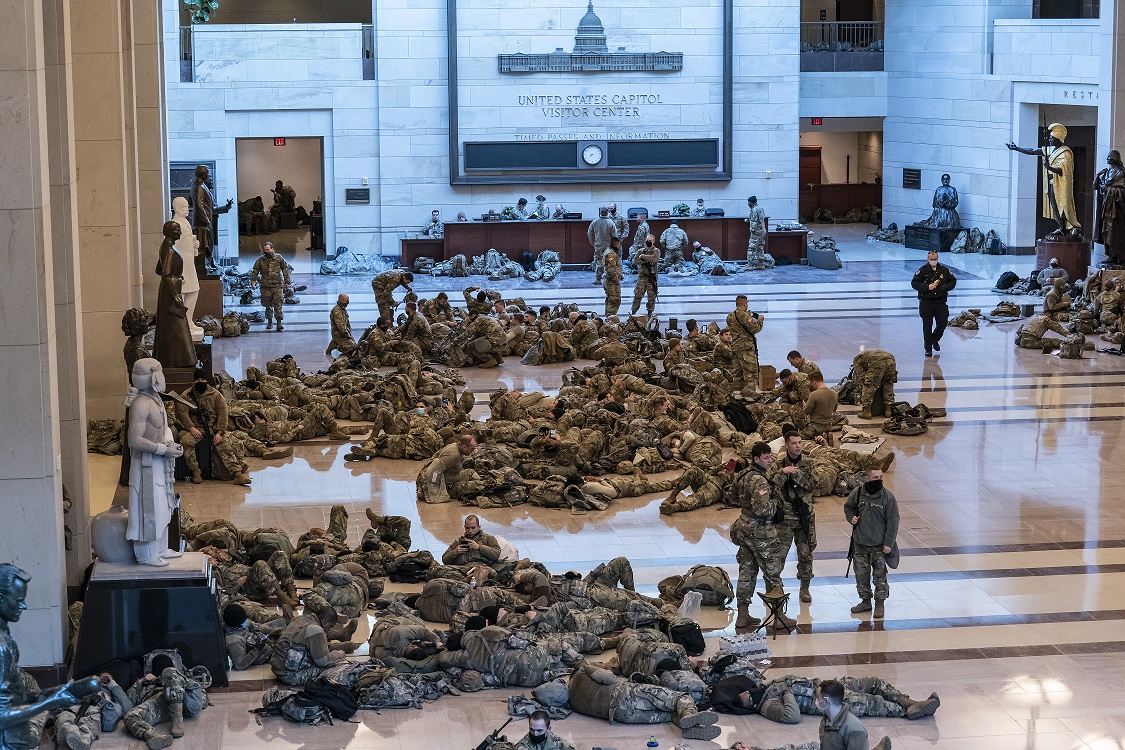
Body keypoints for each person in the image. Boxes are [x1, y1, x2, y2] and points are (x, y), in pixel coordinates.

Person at [126, 359, 184, 567]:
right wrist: (162, 449)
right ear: (153, 376)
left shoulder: (155, 398)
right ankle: (146, 554)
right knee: (148, 509)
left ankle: (160, 548)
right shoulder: (141, 404)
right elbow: (134, 440)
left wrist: (170, 443)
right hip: (146, 466)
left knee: (163, 506)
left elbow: (163, 430)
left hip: (160, 464)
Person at [726, 680, 891, 750]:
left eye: (818, 697)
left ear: (825, 701)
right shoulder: (827, 720)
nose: (815, 700)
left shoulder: (854, 729)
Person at [729, 442, 787, 629]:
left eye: (770, 457)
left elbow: (731, 496)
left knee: (747, 572)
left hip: (744, 528)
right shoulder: (760, 481)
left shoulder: (743, 475)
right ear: (756, 459)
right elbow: (762, 508)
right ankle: (778, 617)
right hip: (761, 532)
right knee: (772, 572)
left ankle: (743, 615)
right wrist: (776, 504)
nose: (769, 461)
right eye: (766, 458)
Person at [175, 369, 250, 486]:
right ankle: (195, 470)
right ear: (194, 381)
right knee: (186, 441)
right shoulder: (186, 396)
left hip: (213, 428)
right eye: (198, 380)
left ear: (206, 380)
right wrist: (191, 428)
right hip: (195, 429)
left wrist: (220, 432)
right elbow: (182, 413)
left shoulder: (216, 395)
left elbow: (223, 413)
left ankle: (237, 473)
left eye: (203, 379)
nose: (200, 381)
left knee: (225, 444)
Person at [1007, 123, 1080, 239]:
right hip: (1051, 184)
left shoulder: (1066, 154)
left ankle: (1073, 227)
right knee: (1055, 206)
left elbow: (1063, 171)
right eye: (1050, 138)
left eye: (1052, 139)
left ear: (1058, 139)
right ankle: (1061, 227)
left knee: (1064, 206)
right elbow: (1033, 151)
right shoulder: (1050, 150)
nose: (1050, 140)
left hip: (1061, 185)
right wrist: (1017, 148)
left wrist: (1048, 167)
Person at [844, 467, 899, 619]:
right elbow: (848, 507)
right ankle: (865, 601)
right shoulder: (858, 493)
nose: (879, 480)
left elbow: (893, 521)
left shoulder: (887, 497)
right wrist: (851, 517)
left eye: (880, 477)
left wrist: (889, 543)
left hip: (879, 546)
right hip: (860, 544)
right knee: (861, 575)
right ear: (867, 479)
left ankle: (879, 604)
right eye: (875, 477)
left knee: (879, 576)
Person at [769, 432, 817, 603]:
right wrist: (783, 472)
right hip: (785, 518)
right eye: (794, 443)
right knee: (779, 554)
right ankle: (775, 588)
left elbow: (813, 485)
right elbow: (770, 483)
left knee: (805, 554)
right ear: (787, 445)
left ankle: (805, 588)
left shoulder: (808, 463)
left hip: (804, 515)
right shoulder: (779, 463)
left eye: (799, 443)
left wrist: (796, 475)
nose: (797, 446)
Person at [152, 221, 197, 369]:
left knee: (172, 324)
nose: (180, 232)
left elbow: (158, 269)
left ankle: (170, 359)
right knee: (177, 325)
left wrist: (177, 277)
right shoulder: (170, 249)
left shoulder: (165, 246)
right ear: (171, 232)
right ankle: (182, 360)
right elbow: (165, 274)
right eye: (178, 230)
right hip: (170, 292)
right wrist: (175, 294)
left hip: (168, 290)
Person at [270, 607, 346, 686]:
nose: (329, 629)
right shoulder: (315, 629)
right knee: (337, 665)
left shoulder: (300, 619)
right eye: (331, 626)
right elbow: (323, 662)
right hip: (290, 676)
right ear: (326, 622)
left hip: (277, 669)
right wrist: (337, 654)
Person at [910, 250, 957, 356]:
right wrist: (927, 287)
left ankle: (934, 339)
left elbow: (953, 281)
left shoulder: (944, 270)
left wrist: (944, 288)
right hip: (926, 302)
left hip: (940, 302)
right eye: (931, 260)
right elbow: (914, 283)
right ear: (928, 259)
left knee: (942, 323)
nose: (933, 261)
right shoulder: (922, 271)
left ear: (938, 258)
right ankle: (928, 348)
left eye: (935, 259)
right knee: (927, 326)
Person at [190, 164, 233, 274]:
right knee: (203, 246)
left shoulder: (198, 185)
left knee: (206, 245)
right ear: (203, 174)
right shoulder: (199, 186)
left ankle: (208, 264)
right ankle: (203, 267)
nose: (209, 175)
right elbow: (198, 204)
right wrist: (206, 220)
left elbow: (195, 203)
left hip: (203, 221)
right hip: (202, 223)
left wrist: (225, 207)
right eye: (207, 173)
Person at [417, 434, 477, 504]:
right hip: (449, 486)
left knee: (471, 472)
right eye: (471, 449)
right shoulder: (453, 456)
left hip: (453, 477)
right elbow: (432, 471)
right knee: (478, 486)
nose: (472, 451)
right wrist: (430, 492)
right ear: (464, 447)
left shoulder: (455, 446)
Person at [249, 242, 292, 331]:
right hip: (265, 286)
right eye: (265, 250)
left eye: (268, 249)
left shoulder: (279, 258)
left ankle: (279, 323)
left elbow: (285, 269)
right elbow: (255, 270)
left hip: (277, 286)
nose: (266, 251)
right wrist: (253, 281)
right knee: (267, 305)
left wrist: (287, 282)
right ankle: (269, 321)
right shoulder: (260, 260)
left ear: (273, 249)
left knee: (278, 304)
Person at [726, 295, 764, 393]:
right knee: (750, 373)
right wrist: (760, 321)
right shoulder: (744, 315)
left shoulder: (730, 316)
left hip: (735, 348)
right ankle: (750, 396)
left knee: (738, 374)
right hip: (745, 349)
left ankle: (737, 395)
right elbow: (755, 329)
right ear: (745, 304)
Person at [1094, 150, 1125, 264]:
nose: (1108, 157)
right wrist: (1098, 175)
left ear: (1116, 158)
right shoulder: (1106, 173)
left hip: (1117, 210)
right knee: (1106, 232)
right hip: (1106, 208)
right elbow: (1095, 186)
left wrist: (1110, 190)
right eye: (1107, 156)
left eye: (1111, 156)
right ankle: (1111, 256)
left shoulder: (1121, 172)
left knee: (1116, 233)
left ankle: (1120, 257)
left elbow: (1123, 191)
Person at [850, 350, 896, 420]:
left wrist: (868, 383)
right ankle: (888, 410)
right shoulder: (865, 356)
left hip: (877, 361)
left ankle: (867, 412)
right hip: (891, 360)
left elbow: (862, 378)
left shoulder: (856, 361)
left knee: (869, 385)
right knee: (888, 384)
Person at [804, 370, 838, 443]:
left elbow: (807, 412)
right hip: (828, 425)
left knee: (798, 438)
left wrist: (805, 406)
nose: (811, 385)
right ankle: (827, 436)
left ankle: (817, 438)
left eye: (811, 383)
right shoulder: (834, 393)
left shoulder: (814, 395)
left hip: (816, 427)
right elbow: (835, 409)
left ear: (814, 381)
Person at [631, 234, 659, 317]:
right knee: (637, 295)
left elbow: (654, 258)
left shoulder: (656, 251)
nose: (648, 242)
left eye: (650, 241)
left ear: (653, 241)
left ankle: (649, 313)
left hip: (652, 278)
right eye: (647, 240)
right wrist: (645, 260)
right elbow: (635, 261)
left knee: (651, 297)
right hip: (642, 277)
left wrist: (643, 257)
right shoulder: (641, 250)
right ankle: (633, 312)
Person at [588, 206, 616, 284]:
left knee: (599, 262)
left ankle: (598, 279)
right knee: (609, 262)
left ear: (600, 212)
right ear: (607, 213)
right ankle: (608, 279)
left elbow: (590, 233)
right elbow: (615, 236)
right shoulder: (611, 222)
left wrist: (592, 242)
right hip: (608, 246)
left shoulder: (595, 222)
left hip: (598, 245)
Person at [603, 235, 623, 316]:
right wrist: (616, 279)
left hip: (610, 280)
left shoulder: (610, 251)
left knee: (611, 299)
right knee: (614, 300)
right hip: (611, 282)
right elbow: (611, 270)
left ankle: (610, 317)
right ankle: (610, 319)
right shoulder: (611, 254)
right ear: (617, 244)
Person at [746, 196, 768, 267]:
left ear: (751, 202)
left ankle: (750, 264)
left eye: (748, 202)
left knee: (751, 248)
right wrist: (749, 220)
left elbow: (755, 222)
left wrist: (752, 230)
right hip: (762, 231)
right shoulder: (760, 209)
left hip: (756, 232)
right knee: (760, 248)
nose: (748, 203)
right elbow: (760, 219)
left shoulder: (754, 210)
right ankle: (761, 264)